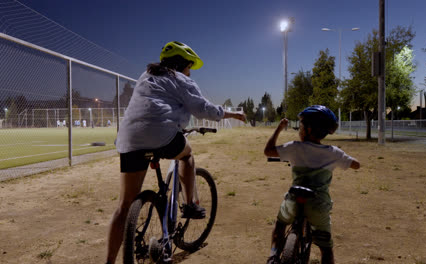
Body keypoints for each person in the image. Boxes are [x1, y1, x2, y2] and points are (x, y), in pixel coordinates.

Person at [106, 41, 246, 264]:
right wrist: (231, 115)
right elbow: (203, 109)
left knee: (124, 205)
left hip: (130, 137)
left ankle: (109, 261)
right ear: (185, 64)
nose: (190, 72)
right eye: (190, 67)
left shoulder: (145, 76)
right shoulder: (181, 79)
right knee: (187, 156)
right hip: (162, 134)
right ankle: (190, 204)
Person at [264, 105, 360, 264]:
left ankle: (273, 256)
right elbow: (356, 164)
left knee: (281, 224)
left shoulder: (295, 147)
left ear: (308, 129)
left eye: (301, 126)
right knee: (326, 247)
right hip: (318, 204)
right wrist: (341, 160)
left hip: (294, 198)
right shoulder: (333, 152)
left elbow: (268, 151)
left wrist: (279, 129)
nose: (299, 129)